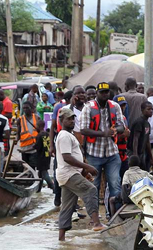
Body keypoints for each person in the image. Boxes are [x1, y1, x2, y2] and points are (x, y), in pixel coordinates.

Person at [55, 106, 104, 240]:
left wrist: (83, 171)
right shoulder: (64, 135)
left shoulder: (68, 135)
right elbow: (67, 157)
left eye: (72, 119)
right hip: (69, 173)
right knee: (91, 190)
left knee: (67, 206)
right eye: (68, 119)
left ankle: (61, 239)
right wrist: (87, 167)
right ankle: (96, 223)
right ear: (61, 120)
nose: (71, 121)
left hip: (67, 174)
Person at [79, 82, 126, 215]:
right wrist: (103, 133)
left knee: (115, 185)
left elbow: (122, 126)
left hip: (112, 152)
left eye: (107, 92)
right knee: (94, 186)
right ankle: (94, 216)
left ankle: (113, 215)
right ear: (97, 93)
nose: (105, 94)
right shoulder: (88, 107)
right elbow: (83, 129)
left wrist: (115, 130)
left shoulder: (115, 106)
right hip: (94, 153)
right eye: (102, 92)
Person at [127, 101, 153, 170]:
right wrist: (135, 156)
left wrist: (151, 157)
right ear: (142, 110)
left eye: (152, 109)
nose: (151, 111)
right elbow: (135, 139)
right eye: (148, 109)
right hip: (134, 152)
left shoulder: (147, 124)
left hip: (142, 152)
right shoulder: (139, 122)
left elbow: (147, 141)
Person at [17, 101, 40, 170]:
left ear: (31, 108)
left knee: (32, 166)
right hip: (24, 147)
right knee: (25, 166)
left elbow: (40, 131)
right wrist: (16, 139)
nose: (25, 110)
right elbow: (18, 132)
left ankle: (32, 180)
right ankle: (27, 180)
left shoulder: (36, 118)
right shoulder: (20, 119)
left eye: (27, 108)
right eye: (24, 108)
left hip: (34, 148)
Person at [34, 119, 53, 193]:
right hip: (47, 156)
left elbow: (37, 147)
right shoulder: (47, 134)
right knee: (40, 173)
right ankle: (38, 189)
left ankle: (52, 186)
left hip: (41, 157)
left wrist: (27, 149)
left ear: (38, 126)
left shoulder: (39, 135)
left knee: (44, 173)